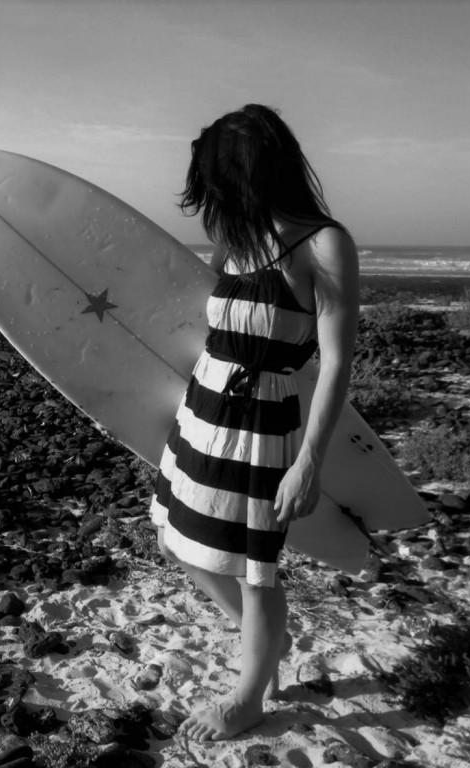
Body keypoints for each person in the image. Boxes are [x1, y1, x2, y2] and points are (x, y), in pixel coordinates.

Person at [151, 104, 359, 741]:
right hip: (202, 413)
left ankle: (250, 698)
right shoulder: (237, 241)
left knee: (253, 566)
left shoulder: (322, 243)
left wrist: (309, 462)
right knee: (174, 537)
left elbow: (336, 363)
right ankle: (264, 639)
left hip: (263, 427)